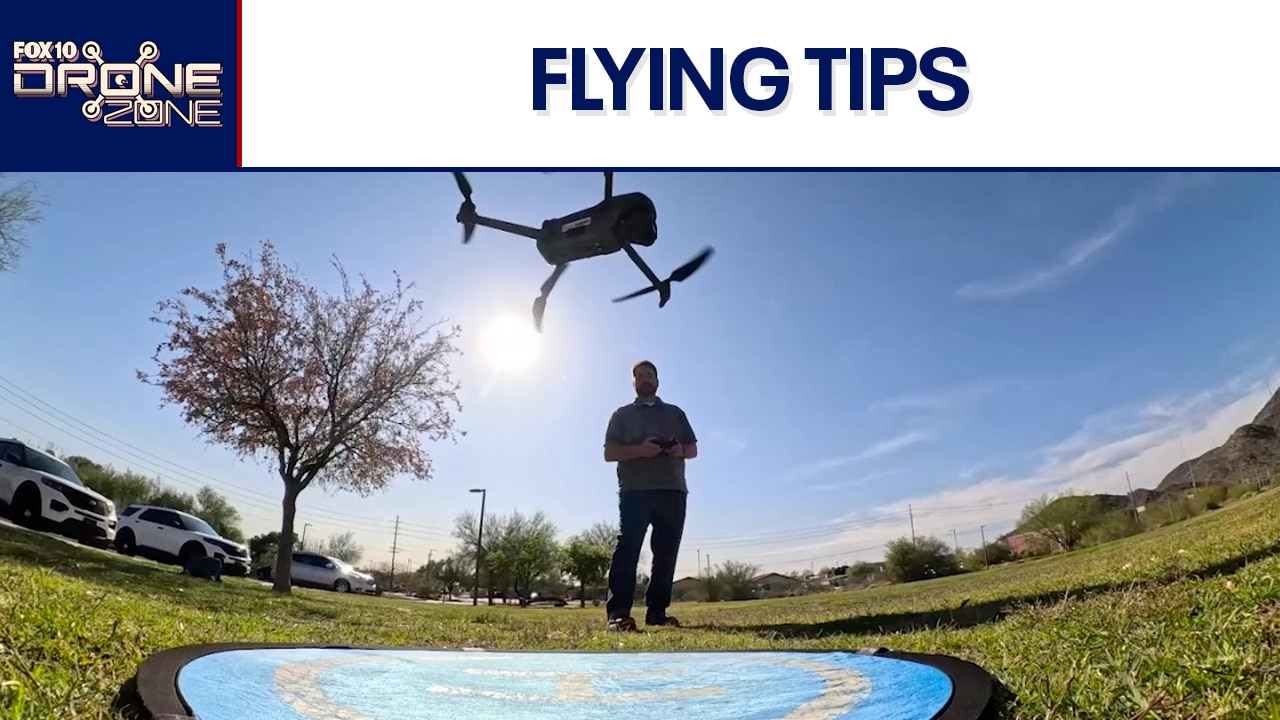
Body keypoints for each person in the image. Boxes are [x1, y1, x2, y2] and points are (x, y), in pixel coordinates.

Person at [602, 360, 698, 631]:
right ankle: (618, 615)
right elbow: (609, 453)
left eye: (649, 375)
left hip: (673, 490)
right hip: (635, 491)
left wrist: (680, 450)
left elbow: (693, 449)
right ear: (633, 382)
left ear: (657, 381)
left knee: (666, 553)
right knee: (628, 549)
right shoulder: (621, 415)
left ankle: (657, 613)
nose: (645, 379)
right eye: (640, 376)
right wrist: (640, 451)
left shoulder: (675, 413)